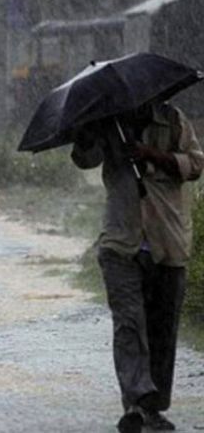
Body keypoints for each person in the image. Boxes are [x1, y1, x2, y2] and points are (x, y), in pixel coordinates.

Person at [71, 102, 204, 433]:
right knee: (129, 324)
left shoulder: (173, 120)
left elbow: (196, 165)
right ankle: (135, 402)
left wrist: (153, 155)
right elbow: (85, 160)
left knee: (162, 328)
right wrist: (85, 137)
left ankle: (154, 407)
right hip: (121, 241)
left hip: (168, 238)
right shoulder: (107, 121)